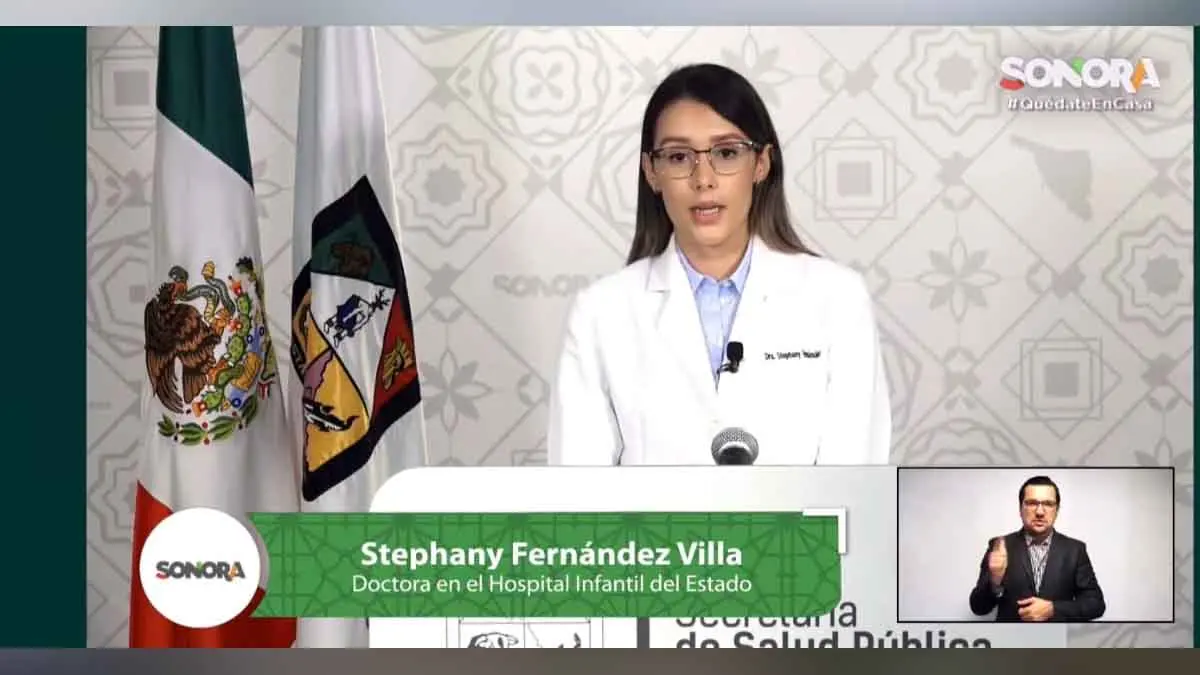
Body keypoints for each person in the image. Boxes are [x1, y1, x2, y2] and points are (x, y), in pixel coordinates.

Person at [547, 63, 892, 466]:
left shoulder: (837, 297)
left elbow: (856, 477)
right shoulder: (600, 312)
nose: (703, 180)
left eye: (726, 153)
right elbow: (578, 487)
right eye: (679, 157)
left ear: (761, 163)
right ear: (652, 172)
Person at [968, 476, 1106, 622]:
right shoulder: (1000, 546)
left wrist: (1053, 609)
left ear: (1057, 510)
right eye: (1032, 503)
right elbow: (978, 608)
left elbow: (1096, 605)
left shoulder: (1075, 550)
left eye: (1048, 504)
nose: (1040, 512)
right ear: (1020, 509)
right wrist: (995, 581)